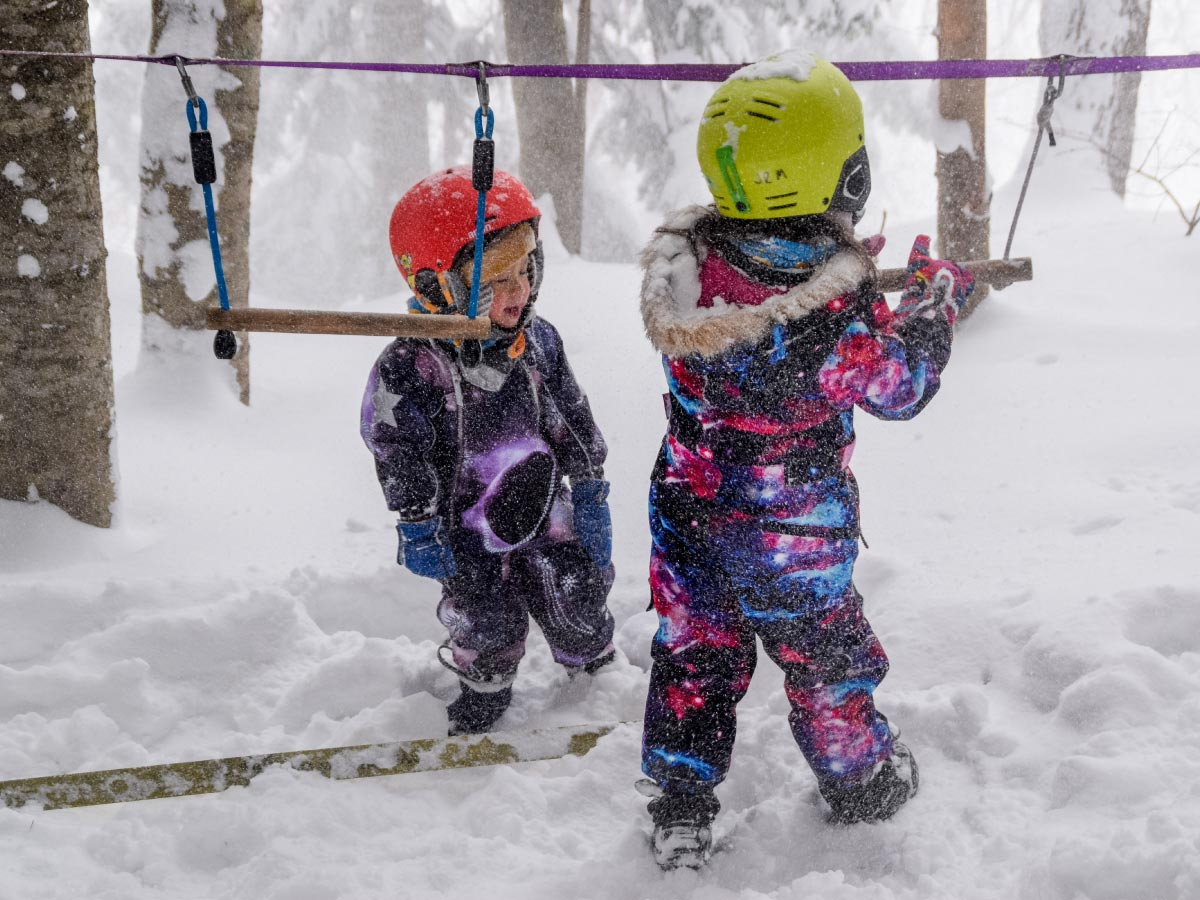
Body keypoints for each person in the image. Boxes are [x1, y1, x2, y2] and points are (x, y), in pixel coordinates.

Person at [636, 51, 975, 870]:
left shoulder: (686, 271)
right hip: (791, 537)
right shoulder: (827, 316)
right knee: (827, 657)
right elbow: (897, 384)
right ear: (836, 176)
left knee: (695, 656)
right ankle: (860, 779)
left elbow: (761, 302)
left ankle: (681, 806)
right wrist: (932, 301)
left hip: (688, 511)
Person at [361, 167, 617, 736]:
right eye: (494, 280)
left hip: (546, 506)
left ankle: (596, 671)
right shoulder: (413, 364)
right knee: (486, 617)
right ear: (435, 286)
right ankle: (485, 690)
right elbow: (394, 447)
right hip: (467, 525)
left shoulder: (538, 341)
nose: (518, 290)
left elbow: (570, 415)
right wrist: (417, 521)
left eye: (526, 270)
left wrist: (590, 483)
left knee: (574, 588)